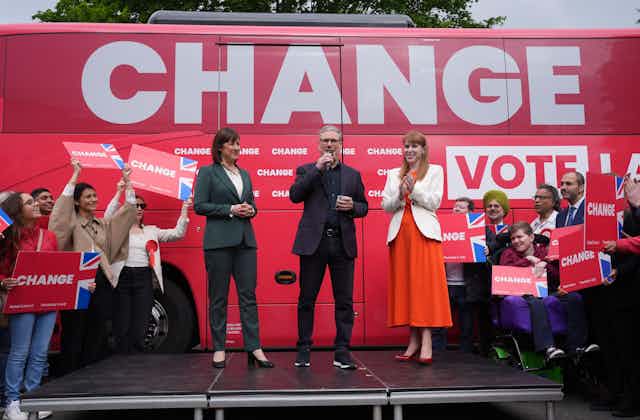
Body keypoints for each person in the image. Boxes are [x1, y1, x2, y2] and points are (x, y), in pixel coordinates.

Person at [289, 125, 368, 369]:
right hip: (314, 243)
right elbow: (295, 195)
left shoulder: (353, 175)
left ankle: (342, 352)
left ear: (341, 144)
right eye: (325, 141)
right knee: (306, 299)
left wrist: (352, 207)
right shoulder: (306, 170)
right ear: (318, 144)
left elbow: (364, 206)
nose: (330, 145)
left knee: (344, 301)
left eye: (334, 141)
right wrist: (317, 169)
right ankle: (303, 350)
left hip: (342, 244)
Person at [194, 127, 273, 369]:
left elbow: (252, 204)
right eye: (232, 144)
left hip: (245, 242)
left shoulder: (245, 174)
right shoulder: (208, 172)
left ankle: (254, 347)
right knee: (218, 297)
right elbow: (200, 205)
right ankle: (219, 348)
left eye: (238, 143)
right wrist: (230, 209)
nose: (237, 148)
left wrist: (251, 209)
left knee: (248, 296)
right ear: (220, 148)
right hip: (218, 243)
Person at [49, 159, 137, 374]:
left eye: (95, 196)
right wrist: (75, 175)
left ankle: (91, 371)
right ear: (77, 202)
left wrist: (128, 183)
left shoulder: (102, 224)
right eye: (88, 196)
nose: (93, 200)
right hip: (78, 281)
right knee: (74, 329)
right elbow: (59, 216)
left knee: (98, 327)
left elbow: (127, 216)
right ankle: (70, 373)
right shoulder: (71, 224)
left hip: (101, 280)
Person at [382, 130, 451, 365]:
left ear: (423, 149)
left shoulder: (435, 171)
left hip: (425, 234)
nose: (410, 150)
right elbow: (386, 205)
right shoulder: (393, 173)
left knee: (425, 287)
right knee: (408, 286)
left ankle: (427, 341)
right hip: (401, 233)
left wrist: (415, 189)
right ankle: (413, 340)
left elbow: (435, 202)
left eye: (414, 146)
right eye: (407, 146)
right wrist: (401, 194)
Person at [107, 195, 191, 353]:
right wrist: (119, 193)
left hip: (144, 276)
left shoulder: (151, 230)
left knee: (142, 318)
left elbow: (178, 233)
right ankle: (121, 357)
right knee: (122, 319)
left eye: (142, 206)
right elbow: (107, 216)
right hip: (122, 277)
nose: (139, 209)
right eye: (135, 205)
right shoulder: (116, 229)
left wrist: (185, 209)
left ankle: (137, 356)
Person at [0, 192, 58, 420]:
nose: (36, 205)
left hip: (49, 300)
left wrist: (81, 283)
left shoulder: (50, 236)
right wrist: (3, 282)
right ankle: (12, 402)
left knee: (40, 353)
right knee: (19, 352)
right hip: (21, 300)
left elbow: (58, 268)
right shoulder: (7, 238)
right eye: (30, 202)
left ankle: (34, 398)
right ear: (17, 210)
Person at [498, 222, 568, 361]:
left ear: (531, 237)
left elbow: (556, 275)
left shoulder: (543, 252)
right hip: (522, 293)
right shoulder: (508, 253)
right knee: (536, 301)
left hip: (547, 291)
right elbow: (505, 273)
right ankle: (548, 348)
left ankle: (576, 346)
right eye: (513, 239)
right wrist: (529, 260)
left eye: (519, 237)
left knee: (572, 297)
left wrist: (544, 264)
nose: (516, 241)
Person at [432, 197, 483, 353]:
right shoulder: (442, 228)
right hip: (445, 284)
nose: (456, 210)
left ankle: (466, 355)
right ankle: (437, 352)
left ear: (470, 212)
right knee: (439, 323)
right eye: (455, 207)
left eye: (461, 207)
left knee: (466, 324)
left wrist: (485, 249)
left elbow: (487, 248)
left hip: (465, 287)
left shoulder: (477, 229)